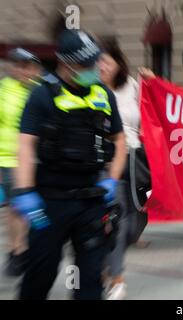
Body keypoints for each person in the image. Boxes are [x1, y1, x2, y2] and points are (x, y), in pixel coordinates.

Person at [11, 30, 127, 300]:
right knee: (40, 273)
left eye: (94, 62)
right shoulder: (42, 96)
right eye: (84, 64)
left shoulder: (104, 96)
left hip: (92, 200)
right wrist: (25, 191)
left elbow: (119, 141)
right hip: (49, 203)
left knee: (89, 281)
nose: (92, 69)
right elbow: (26, 145)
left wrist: (111, 179)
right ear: (64, 63)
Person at [98, 39, 152, 299]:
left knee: (136, 222)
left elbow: (154, 111)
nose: (101, 66)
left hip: (137, 160)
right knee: (117, 221)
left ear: (119, 64)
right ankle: (117, 277)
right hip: (108, 161)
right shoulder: (92, 90)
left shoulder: (131, 86)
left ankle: (104, 264)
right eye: (97, 61)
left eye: (106, 61)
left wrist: (152, 84)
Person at [0, 48, 41, 277]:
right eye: (18, 66)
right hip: (8, 158)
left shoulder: (38, 90)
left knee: (27, 207)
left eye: (27, 66)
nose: (23, 71)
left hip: (36, 158)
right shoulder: (3, 90)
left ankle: (21, 250)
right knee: (16, 207)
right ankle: (17, 251)